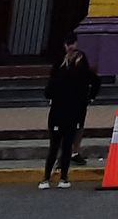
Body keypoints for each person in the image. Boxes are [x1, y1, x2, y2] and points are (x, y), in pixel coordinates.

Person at [41, 33, 100, 189]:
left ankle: (49, 178)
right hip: (70, 109)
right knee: (63, 144)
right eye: (69, 44)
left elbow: (48, 90)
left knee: (58, 145)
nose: (70, 47)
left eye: (72, 44)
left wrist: (89, 98)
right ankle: (61, 177)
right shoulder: (70, 68)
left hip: (63, 110)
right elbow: (94, 81)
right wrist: (88, 98)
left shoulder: (69, 69)